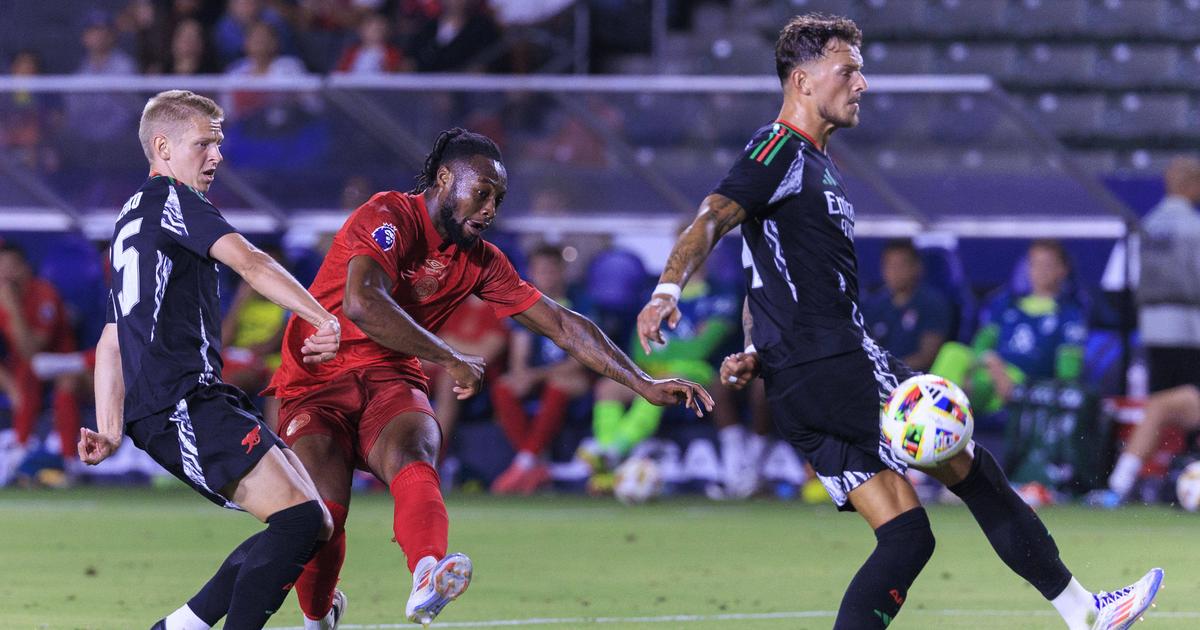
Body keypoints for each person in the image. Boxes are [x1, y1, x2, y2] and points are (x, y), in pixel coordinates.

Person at [635, 14, 1161, 630]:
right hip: (835, 364)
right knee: (971, 465)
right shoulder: (777, 148)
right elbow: (712, 215)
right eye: (849, 70)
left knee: (908, 537)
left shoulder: (816, 164)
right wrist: (668, 287)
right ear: (802, 81)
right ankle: (1082, 611)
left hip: (800, 381)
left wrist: (756, 347)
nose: (863, 84)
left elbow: (761, 276)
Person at [264, 127, 713, 628]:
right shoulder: (388, 216)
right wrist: (451, 356)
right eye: (481, 193)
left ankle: (428, 573)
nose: (489, 209)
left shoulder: (480, 261)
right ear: (443, 178)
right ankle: (319, 616)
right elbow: (363, 302)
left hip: (390, 378)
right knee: (325, 516)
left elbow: (563, 324)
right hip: (316, 380)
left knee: (415, 452)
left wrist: (643, 384)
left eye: (498, 198)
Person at [77, 89, 343, 630]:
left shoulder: (129, 216)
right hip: (179, 402)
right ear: (163, 147)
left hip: (191, 398)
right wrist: (323, 318)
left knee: (311, 522)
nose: (217, 157)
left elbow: (112, 335)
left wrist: (109, 428)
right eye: (204, 144)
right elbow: (252, 261)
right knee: (296, 522)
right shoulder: (175, 203)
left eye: (218, 144)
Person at [1093, 156, 1200, 505]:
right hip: (1191, 333)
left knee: (1163, 405)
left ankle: (1120, 486)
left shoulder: (1147, 226)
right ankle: (1122, 486)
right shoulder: (1194, 228)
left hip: (1155, 332)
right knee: (1166, 407)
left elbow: (1123, 284)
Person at [930, 239, 1086, 415]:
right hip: (991, 368)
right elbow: (980, 345)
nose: (1040, 271)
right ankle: (931, 410)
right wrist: (992, 365)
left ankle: (942, 412)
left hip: (1024, 383)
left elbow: (1068, 376)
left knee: (975, 383)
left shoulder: (1070, 315)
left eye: (1047, 265)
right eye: (1035, 264)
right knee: (953, 352)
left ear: (1062, 270)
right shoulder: (1006, 305)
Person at [490, 245, 591, 495]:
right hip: (539, 376)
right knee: (505, 386)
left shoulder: (580, 303)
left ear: (562, 271)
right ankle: (534, 464)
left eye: (551, 269)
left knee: (560, 383)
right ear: (532, 272)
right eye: (540, 269)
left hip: (574, 375)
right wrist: (522, 374)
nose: (546, 275)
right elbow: (519, 354)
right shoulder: (525, 305)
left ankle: (522, 464)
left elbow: (584, 357)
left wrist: (537, 376)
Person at [0, 243, 80, 474]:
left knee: (59, 380)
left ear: (25, 268)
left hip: (62, 362)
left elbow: (32, 351)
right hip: (22, 370)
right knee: (24, 375)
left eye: (10, 266)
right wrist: (11, 388)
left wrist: (13, 308)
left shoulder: (44, 293)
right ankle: (19, 450)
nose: (5, 273)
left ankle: (69, 461)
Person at [862, 239, 950, 373]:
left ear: (917, 267)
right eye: (890, 266)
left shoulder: (932, 303)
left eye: (901, 266)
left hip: (917, 380)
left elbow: (927, 357)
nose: (895, 272)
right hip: (878, 379)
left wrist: (887, 370)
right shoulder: (875, 304)